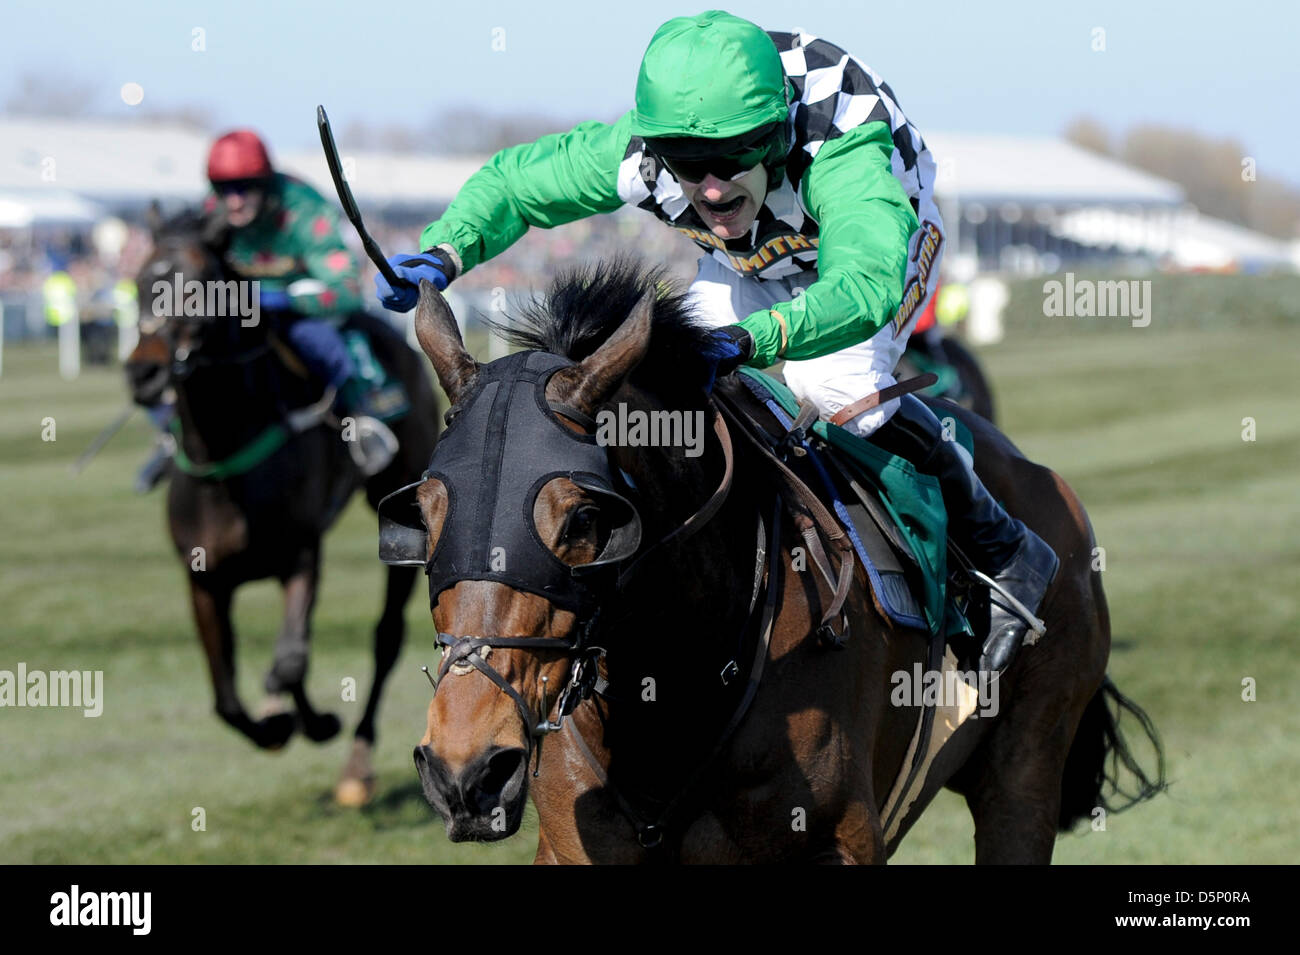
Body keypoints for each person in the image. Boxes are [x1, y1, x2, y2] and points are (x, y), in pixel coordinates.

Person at [374, 11, 1057, 674]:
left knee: (833, 386)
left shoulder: (841, 149)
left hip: (878, 245)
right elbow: (519, 184)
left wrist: (752, 339)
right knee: (669, 391)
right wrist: (444, 250)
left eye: (732, 157)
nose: (707, 184)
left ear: (776, 132)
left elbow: (865, 285)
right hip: (751, 262)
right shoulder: (642, 152)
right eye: (685, 161)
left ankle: (1004, 548)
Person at [137, 129, 397, 489]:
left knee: (324, 345)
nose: (235, 201)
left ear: (265, 182)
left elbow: (348, 290)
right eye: (225, 189)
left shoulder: (304, 210)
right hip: (238, 312)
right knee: (166, 353)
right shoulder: (211, 211)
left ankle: (359, 421)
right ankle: (171, 435)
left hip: (296, 311)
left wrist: (287, 298)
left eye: (245, 188)